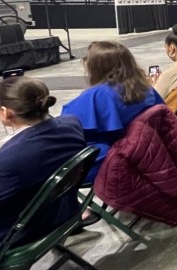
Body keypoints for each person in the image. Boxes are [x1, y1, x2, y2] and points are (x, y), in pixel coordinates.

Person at [0, 77, 86, 270]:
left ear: (6, 112)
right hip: (60, 210)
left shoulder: (3, 163)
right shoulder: (71, 124)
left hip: (22, 230)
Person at [62, 41, 163, 182]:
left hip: (108, 163)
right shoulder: (145, 89)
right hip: (145, 154)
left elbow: (66, 126)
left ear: (96, 68)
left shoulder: (96, 96)